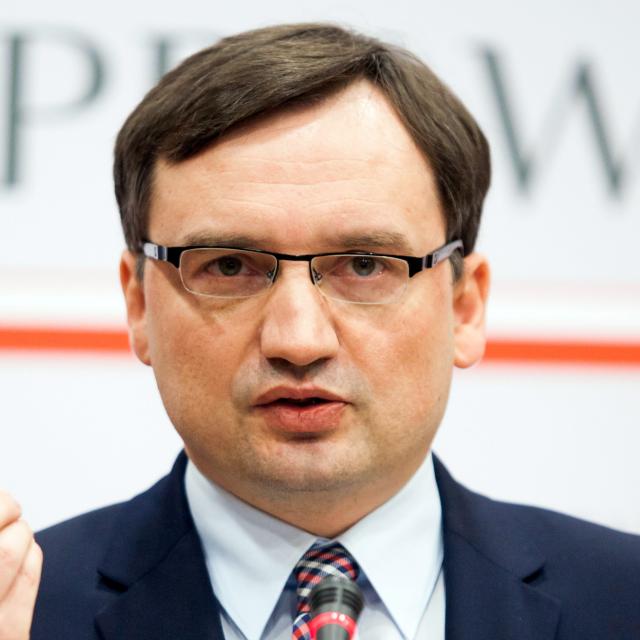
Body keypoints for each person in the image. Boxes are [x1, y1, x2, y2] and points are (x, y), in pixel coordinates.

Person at [1, 22, 639, 640]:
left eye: (364, 265)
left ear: (464, 307)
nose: (298, 341)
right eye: (229, 266)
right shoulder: (28, 612)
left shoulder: (624, 599)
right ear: (139, 303)